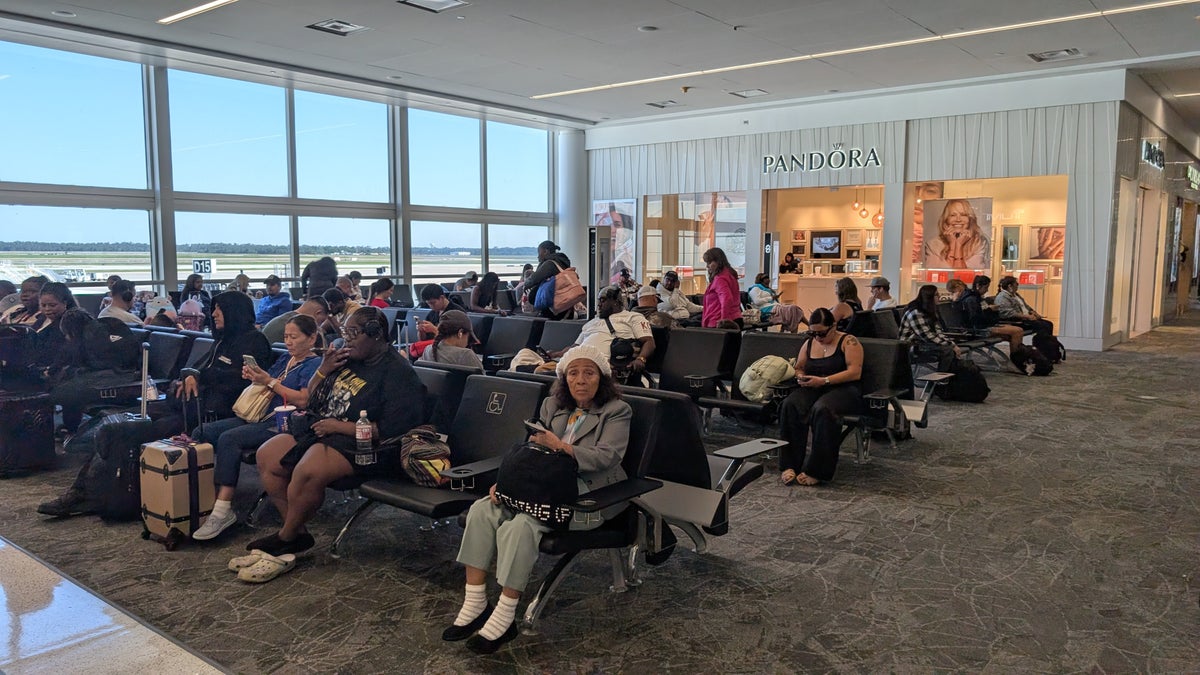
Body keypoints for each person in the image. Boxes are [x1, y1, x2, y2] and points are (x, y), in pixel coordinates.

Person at [445, 344, 631, 654]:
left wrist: (561, 447)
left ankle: (505, 615)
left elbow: (607, 457)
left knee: (521, 526)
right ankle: (476, 601)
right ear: (564, 378)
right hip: (541, 485)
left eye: (589, 373)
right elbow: (529, 450)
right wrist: (506, 482)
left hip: (588, 493)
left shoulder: (617, 411)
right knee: (482, 510)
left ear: (602, 378)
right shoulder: (551, 406)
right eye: (573, 373)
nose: (581, 380)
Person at [37, 291, 270, 518]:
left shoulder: (253, 342)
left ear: (234, 312)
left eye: (220, 310)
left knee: (128, 431)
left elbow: (241, 382)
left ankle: (88, 494)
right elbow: (195, 368)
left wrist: (201, 377)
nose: (215, 314)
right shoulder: (222, 341)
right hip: (185, 406)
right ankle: (91, 491)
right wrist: (189, 374)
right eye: (215, 309)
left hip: (208, 414)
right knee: (119, 424)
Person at [246, 307, 425, 565]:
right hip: (322, 429)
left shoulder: (399, 374)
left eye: (353, 333)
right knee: (268, 456)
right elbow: (311, 399)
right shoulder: (346, 359)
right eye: (345, 332)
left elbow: (391, 430)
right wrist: (324, 369)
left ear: (375, 335)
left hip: (364, 446)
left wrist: (339, 427)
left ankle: (286, 537)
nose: (347, 340)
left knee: (309, 469)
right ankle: (297, 530)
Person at [190, 314, 322, 541]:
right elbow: (268, 383)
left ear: (311, 339)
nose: (288, 341)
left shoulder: (313, 365)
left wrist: (268, 381)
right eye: (286, 336)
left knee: (229, 439)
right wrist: (255, 377)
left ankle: (223, 509)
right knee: (201, 432)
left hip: (283, 423)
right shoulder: (286, 360)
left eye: (294, 337)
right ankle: (208, 498)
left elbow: (303, 400)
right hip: (260, 415)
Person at [778, 308, 864, 487]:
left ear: (833, 327)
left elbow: (855, 372)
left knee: (823, 410)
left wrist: (825, 380)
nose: (818, 337)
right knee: (790, 405)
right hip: (815, 386)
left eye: (822, 333)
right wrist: (800, 376)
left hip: (844, 389)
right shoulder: (809, 343)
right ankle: (789, 463)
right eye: (813, 333)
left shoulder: (849, 341)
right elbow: (800, 366)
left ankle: (818, 470)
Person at [47, 309, 139, 435]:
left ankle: (69, 429)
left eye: (67, 334)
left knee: (63, 392)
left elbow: (95, 365)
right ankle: (71, 429)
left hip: (112, 380)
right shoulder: (101, 328)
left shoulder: (89, 336)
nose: (67, 338)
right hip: (125, 375)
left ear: (72, 331)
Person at [547, 286, 654, 381]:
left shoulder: (633, 317)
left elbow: (649, 342)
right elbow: (576, 346)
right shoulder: (592, 322)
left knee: (554, 378)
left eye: (603, 301)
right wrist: (557, 354)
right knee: (539, 371)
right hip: (578, 361)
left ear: (616, 302)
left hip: (608, 365)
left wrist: (641, 359)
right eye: (599, 301)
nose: (599, 305)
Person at [948, 276, 1024, 351]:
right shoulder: (971, 299)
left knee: (1016, 332)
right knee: (1017, 331)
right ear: (978, 286)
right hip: (979, 330)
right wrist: (989, 310)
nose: (987, 290)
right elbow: (976, 318)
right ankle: (1016, 358)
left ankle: (1018, 355)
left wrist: (988, 310)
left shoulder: (973, 298)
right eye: (986, 287)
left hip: (982, 327)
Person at [899, 284, 962, 362]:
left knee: (948, 349)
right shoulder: (915, 313)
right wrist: (950, 345)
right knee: (947, 350)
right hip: (912, 346)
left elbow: (938, 332)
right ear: (928, 297)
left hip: (922, 343)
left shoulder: (930, 311)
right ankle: (944, 373)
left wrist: (951, 343)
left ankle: (949, 372)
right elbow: (927, 336)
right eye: (936, 295)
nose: (939, 296)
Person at [924, 199, 990, 269]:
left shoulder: (980, 243)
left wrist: (958, 245)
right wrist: (952, 244)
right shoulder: (932, 245)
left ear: (970, 219)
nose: (958, 219)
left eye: (963, 215)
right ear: (946, 219)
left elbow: (967, 276)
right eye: (953, 215)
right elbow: (941, 274)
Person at [417, 310, 483, 370]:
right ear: (460, 333)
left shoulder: (427, 350)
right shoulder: (466, 354)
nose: (467, 343)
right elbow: (482, 381)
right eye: (468, 338)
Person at [523, 240, 571, 319]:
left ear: (546, 251)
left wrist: (526, 284)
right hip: (564, 301)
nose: (538, 256)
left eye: (539, 252)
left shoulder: (550, 263)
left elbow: (534, 279)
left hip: (552, 303)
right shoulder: (562, 262)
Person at [700, 247, 741, 328]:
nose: (707, 266)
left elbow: (727, 299)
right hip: (735, 318)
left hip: (719, 321)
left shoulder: (720, 279)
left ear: (717, 261)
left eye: (709, 262)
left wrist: (723, 321)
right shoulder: (730, 275)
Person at [262, 298, 329, 345]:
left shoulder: (284, 318)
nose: (320, 325)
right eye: (321, 321)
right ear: (318, 313)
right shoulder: (301, 325)